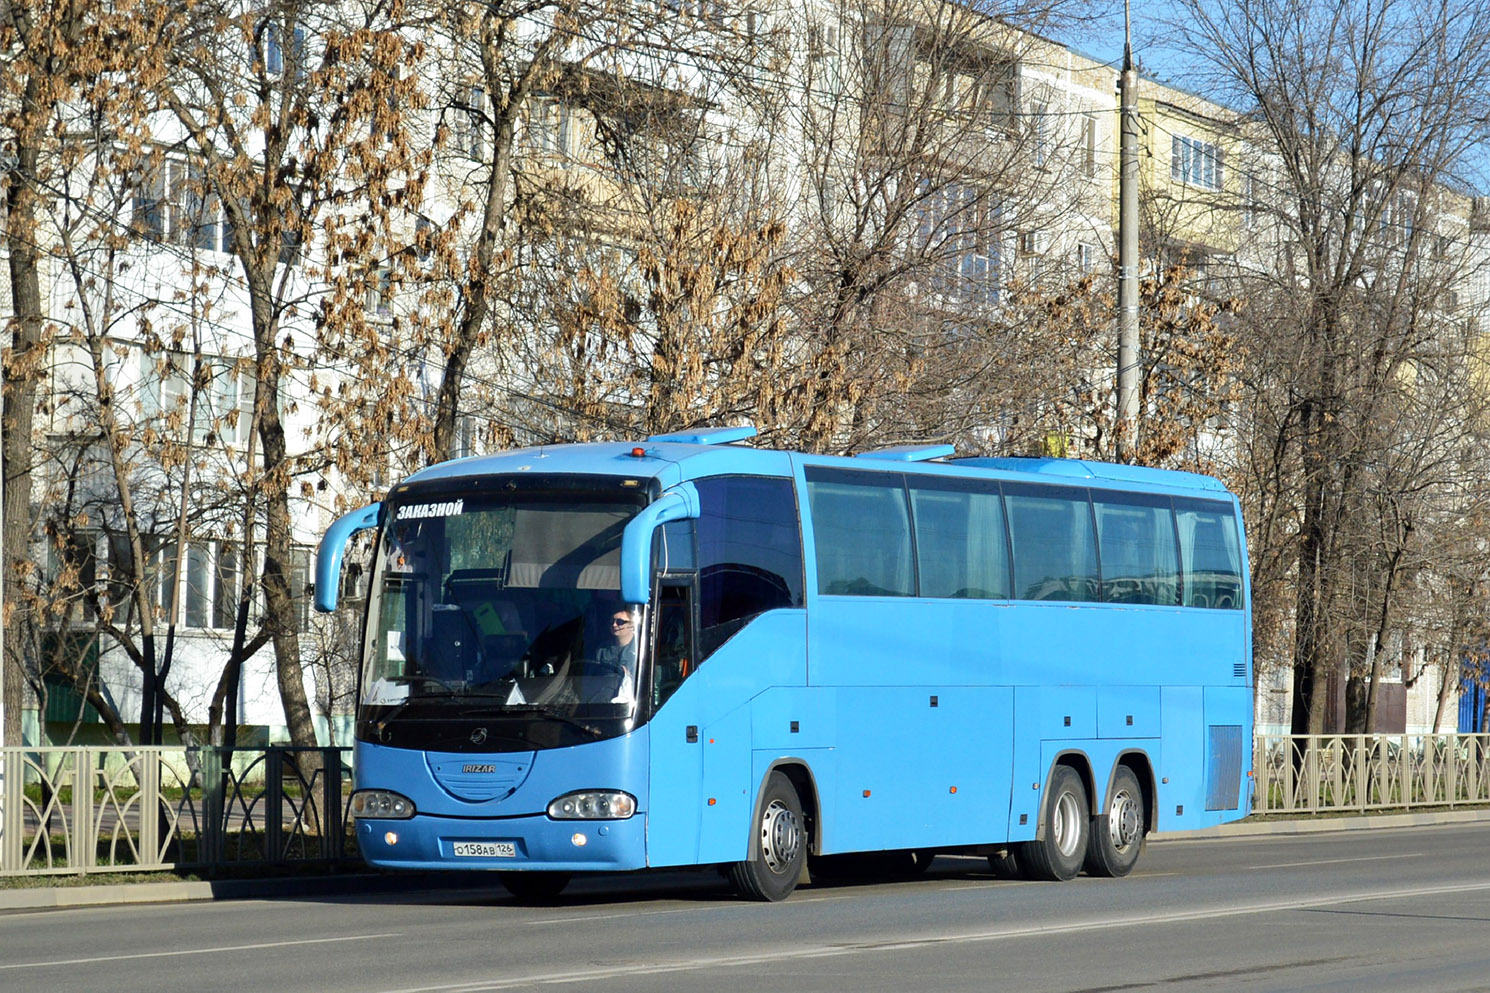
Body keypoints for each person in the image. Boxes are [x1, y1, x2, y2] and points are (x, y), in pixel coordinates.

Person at [586, 605, 638, 703]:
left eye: (620, 622)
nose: (614, 625)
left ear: (632, 625)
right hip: (600, 697)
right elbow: (591, 677)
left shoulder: (640, 650)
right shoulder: (602, 649)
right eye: (612, 622)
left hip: (629, 701)